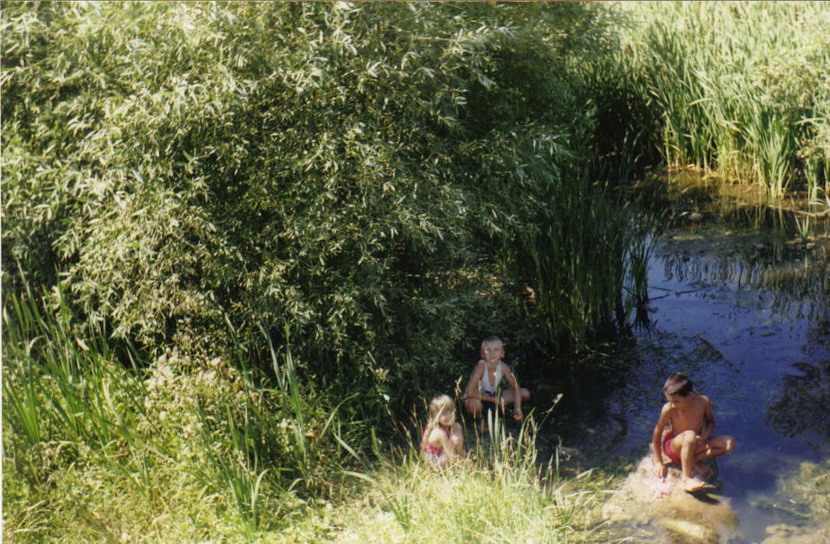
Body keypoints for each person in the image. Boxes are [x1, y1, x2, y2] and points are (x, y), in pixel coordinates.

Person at [652, 372, 736, 492]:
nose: (673, 404)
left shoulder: (703, 402)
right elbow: (657, 433)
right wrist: (659, 462)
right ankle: (686, 478)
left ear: (689, 395)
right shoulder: (669, 409)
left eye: (676, 401)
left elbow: (711, 423)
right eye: (670, 400)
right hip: (674, 446)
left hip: (694, 443)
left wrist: (704, 436)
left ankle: (690, 462)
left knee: (729, 443)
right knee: (690, 435)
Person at [464, 336, 530, 423]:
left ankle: (511, 413)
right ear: (482, 354)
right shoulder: (481, 367)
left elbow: (516, 387)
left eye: (496, 350)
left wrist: (517, 407)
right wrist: (493, 399)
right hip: (478, 398)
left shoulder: (503, 367)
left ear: (502, 353)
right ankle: (479, 421)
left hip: (493, 396)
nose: (492, 353)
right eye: (488, 350)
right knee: (474, 404)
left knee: (525, 393)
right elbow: (469, 393)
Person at [421, 394, 464, 468]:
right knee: (450, 458)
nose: (449, 416)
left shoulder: (455, 426)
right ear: (436, 417)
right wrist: (469, 464)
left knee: (457, 436)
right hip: (435, 460)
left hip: (445, 452)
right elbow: (451, 456)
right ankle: (459, 466)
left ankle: (461, 463)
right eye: (444, 414)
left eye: (450, 412)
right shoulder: (438, 432)